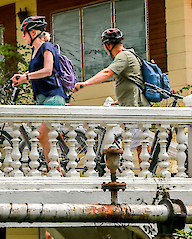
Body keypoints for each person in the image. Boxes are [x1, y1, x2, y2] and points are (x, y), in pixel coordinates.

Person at [11, 15, 66, 153]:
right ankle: (56, 170)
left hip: (53, 98)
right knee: (43, 139)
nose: (23, 36)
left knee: (40, 136)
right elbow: (37, 73)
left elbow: (47, 71)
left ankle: (57, 169)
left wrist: (26, 77)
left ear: (33, 32)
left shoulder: (47, 47)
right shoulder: (34, 51)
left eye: (25, 33)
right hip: (42, 99)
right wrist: (21, 77)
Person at [72, 28, 149, 107]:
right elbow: (131, 80)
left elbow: (107, 73)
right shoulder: (129, 55)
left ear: (107, 45)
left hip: (134, 104)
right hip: (132, 101)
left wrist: (86, 83)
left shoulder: (123, 55)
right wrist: (121, 99)